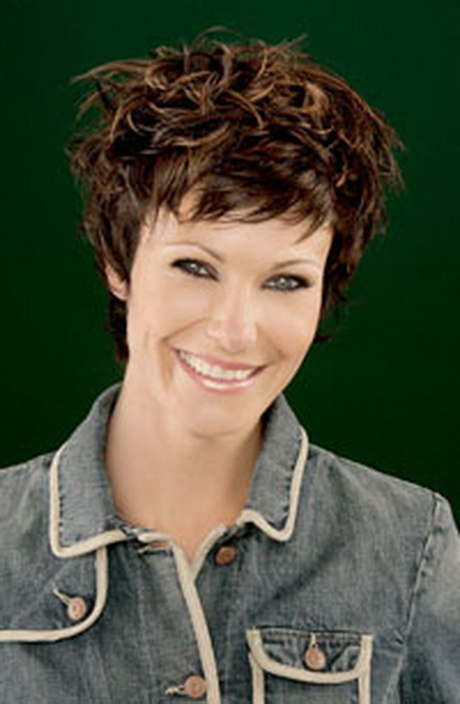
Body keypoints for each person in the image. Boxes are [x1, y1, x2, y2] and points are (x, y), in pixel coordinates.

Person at [1, 33, 459, 703]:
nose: (235, 330)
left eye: (286, 281)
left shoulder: (415, 546)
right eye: (195, 267)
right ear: (118, 263)